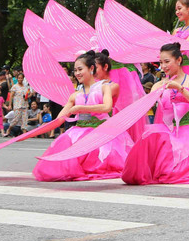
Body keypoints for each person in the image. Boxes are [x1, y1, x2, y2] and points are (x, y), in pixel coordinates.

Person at [122, 43, 189, 185]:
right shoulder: (159, 84)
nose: (163, 66)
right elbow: (145, 106)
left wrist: (180, 89)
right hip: (167, 131)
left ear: (179, 60)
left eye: (167, 61)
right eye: (161, 62)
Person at [34, 52, 133, 181]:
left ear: (91, 69)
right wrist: (28, 134)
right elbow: (59, 120)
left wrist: (81, 108)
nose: (77, 73)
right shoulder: (75, 95)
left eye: (80, 69)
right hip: (79, 131)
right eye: (75, 70)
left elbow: (106, 107)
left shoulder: (105, 87)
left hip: (101, 131)